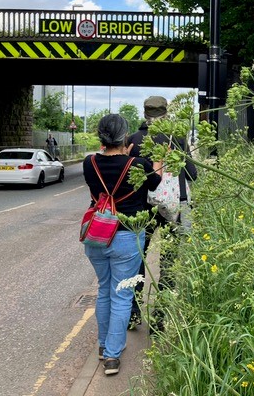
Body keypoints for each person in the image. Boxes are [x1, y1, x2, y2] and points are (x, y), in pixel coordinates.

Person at [82, 114, 161, 376]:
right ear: (125, 136)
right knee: (122, 295)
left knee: (104, 290)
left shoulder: (89, 163)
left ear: (100, 136)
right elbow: (156, 183)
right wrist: (156, 163)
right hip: (126, 236)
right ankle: (113, 358)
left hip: (97, 235)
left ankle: (104, 347)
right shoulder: (137, 164)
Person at [126, 95, 198, 332]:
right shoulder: (175, 137)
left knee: (139, 260)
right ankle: (159, 318)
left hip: (142, 210)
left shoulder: (134, 140)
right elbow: (192, 173)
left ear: (144, 113)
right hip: (171, 209)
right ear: (166, 113)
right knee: (168, 262)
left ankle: (133, 314)